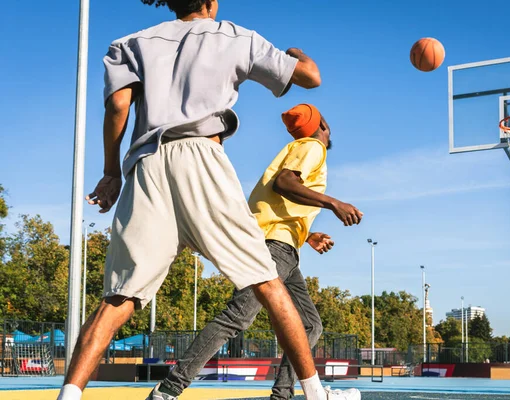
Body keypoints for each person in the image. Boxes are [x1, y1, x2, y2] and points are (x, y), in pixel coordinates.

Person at [56, 1, 350, 399]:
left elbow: (118, 106)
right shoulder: (233, 35)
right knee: (265, 281)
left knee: (119, 295)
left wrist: (111, 172)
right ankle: (315, 394)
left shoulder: (131, 43)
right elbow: (310, 77)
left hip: (147, 163)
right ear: (211, 2)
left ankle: (69, 394)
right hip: (200, 154)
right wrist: (296, 53)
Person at [150, 104, 363, 399]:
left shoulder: (295, 147)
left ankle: (283, 393)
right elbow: (284, 183)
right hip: (273, 247)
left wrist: (307, 234)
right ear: (323, 125)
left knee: (310, 325)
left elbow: (275, 205)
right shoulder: (312, 146)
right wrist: (334, 203)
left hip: (282, 246)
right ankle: (168, 390)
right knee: (237, 316)